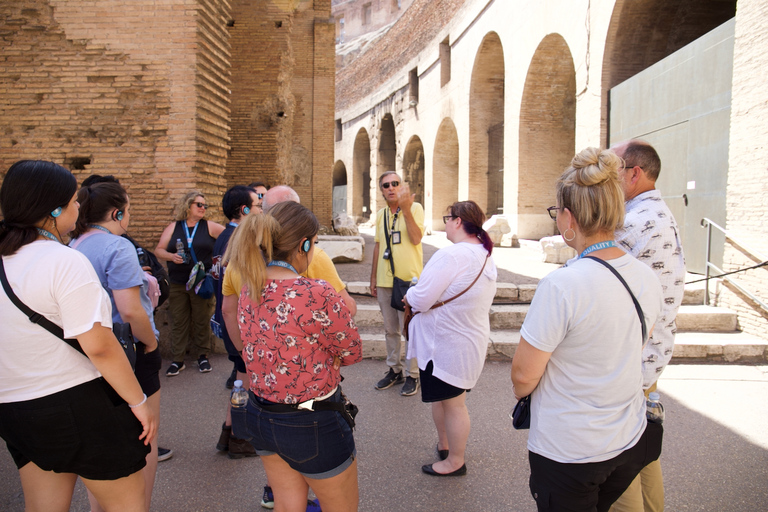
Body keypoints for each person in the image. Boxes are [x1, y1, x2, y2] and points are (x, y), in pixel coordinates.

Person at [511, 147, 664, 512]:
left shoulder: (562, 286)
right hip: (626, 439)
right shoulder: (646, 276)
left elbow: (521, 378)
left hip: (570, 451)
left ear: (568, 217)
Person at [0, 160, 156, 512]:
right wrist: (138, 401)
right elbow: (99, 346)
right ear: (53, 209)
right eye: (73, 201)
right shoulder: (62, 260)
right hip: (76, 403)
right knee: (127, 506)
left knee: (43, 506)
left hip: (15, 408)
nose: (79, 208)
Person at [234, 201, 362, 512]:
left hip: (262, 413)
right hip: (312, 420)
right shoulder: (316, 293)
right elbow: (352, 351)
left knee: (287, 504)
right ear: (304, 244)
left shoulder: (250, 286)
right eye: (315, 243)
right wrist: (326, 356)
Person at [69, 181, 162, 511]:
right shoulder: (118, 247)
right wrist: (150, 343)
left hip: (87, 352)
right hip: (128, 349)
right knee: (145, 435)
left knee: (103, 439)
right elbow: (130, 308)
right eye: (129, 210)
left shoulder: (74, 243)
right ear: (116, 213)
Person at [610, 140, 686, 512]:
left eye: (612, 171)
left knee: (619, 467)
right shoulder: (658, 213)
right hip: (650, 353)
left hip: (631, 360)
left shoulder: (634, 221)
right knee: (643, 454)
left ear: (634, 173)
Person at [404, 200, 497, 477]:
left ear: (458, 221)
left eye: (447, 217)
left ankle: (455, 460)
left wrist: (408, 295)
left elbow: (421, 297)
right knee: (446, 401)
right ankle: (445, 446)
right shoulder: (484, 253)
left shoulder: (453, 255)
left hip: (444, 344)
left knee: (454, 405)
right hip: (464, 342)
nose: (445, 222)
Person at [212, 185, 260, 459]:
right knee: (245, 384)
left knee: (242, 381)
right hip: (239, 326)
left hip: (229, 322)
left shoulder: (223, 237)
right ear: (244, 210)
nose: (260, 211)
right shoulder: (241, 240)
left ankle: (228, 434)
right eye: (256, 206)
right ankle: (240, 439)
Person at [154, 191, 224, 376]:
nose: (203, 208)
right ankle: (178, 360)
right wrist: (171, 256)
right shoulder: (174, 227)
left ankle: (203, 356)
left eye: (205, 205)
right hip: (178, 282)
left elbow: (229, 238)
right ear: (187, 205)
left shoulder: (208, 226)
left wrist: (219, 261)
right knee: (178, 320)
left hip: (201, 282)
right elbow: (159, 250)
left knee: (201, 319)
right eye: (199, 204)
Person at [262, 185, 357, 316]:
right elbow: (347, 308)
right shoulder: (316, 260)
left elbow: (228, 311)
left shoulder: (242, 260)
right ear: (304, 246)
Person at [370, 171, 424, 396]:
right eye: (386, 185)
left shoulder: (416, 208)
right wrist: (373, 277)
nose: (391, 188)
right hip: (385, 280)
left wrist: (407, 209)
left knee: (409, 329)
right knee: (390, 329)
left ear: (401, 186)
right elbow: (377, 245)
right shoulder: (381, 214)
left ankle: (414, 375)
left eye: (395, 184)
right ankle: (394, 369)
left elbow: (416, 238)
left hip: (409, 281)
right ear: (381, 190)